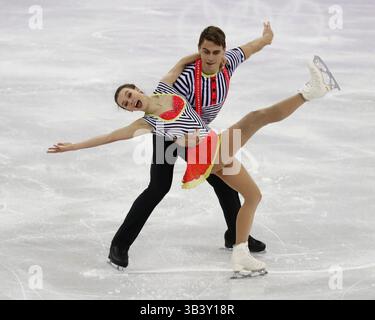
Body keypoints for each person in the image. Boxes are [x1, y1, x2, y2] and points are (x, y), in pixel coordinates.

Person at [47, 54, 339, 275]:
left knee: (253, 195)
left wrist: (204, 56)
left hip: (210, 146)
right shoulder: (146, 122)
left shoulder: (165, 88)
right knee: (254, 118)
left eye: (129, 95)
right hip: (205, 153)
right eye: (125, 104)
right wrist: (73, 146)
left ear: (137, 89)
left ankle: (238, 247)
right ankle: (310, 91)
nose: (130, 101)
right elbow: (110, 137)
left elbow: (178, 65)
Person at [108, 23, 275, 269]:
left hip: (198, 137)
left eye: (215, 52)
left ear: (223, 52)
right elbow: (168, 111)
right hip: (169, 133)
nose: (210, 58)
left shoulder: (229, 62)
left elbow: (251, 47)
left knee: (224, 179)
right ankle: (119, 246)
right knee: (158, 187)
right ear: (199, 51)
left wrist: (266, 37)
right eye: (205, 52)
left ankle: (236, 236)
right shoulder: (187, 78)